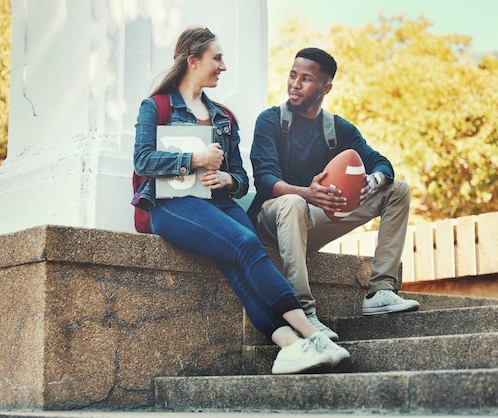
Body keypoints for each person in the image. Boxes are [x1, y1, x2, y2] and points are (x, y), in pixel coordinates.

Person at [132, 28, 349, 374]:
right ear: (193, 61)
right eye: (216, 58)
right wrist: (195, 159)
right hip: (172, 205)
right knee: (246, 242)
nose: (223, 66)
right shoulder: (155, 106)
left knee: (242, 263)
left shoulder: (224, 117)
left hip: (218, 202)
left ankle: (290, 347)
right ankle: (311, 335)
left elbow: (242, 177)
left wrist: (228, 179)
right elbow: (143, 161)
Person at [248, 47, 420, 341]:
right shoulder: (270, 120)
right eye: (292, 75)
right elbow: (264, 179)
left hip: (311, 221)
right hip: (271, 223)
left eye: (306, 79)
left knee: (397, 190)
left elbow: (381, 162)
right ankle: (304, 312)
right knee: (292, 202)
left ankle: (380, 291)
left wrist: (374, 179)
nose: (294, 84)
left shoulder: (338, 129)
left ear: (325, 87)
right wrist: (307, 193)